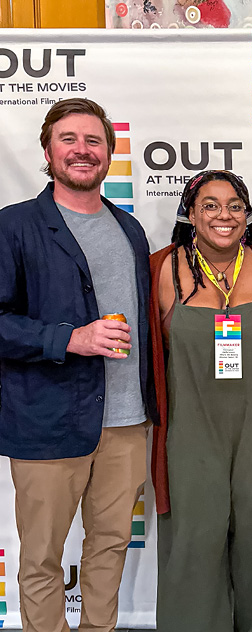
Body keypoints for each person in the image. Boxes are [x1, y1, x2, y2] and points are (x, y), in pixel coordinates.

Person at [0, 98, 155, 632]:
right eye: (69, 139)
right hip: (48, 422)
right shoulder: (14, 226)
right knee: (42, 558)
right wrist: (71, 339)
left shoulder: (130, 229)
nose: (82, 151)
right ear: (48, 149)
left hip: (127, 424)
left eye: (94, 141)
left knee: (110, 548)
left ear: (110, 152)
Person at [150, 169, 252, 632]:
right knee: (193, 549)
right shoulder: (161, 269)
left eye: (235, 205)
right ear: (191, 215)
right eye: (210, 205)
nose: (224, 215)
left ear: (248, 214)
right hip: (190, 435)